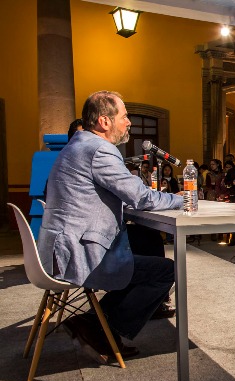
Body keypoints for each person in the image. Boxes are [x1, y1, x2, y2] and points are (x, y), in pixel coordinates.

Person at [38, 91, 183, 362]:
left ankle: (99, 322)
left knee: (144, 241)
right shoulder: (99, 149)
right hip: (78, 256)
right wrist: (179, 199)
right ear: (104, 121)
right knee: (167, 271)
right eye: (124, 116)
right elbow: (140, 197)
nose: (128, 122)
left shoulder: (77, 145)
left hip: (58, 251)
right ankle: (97, 326)